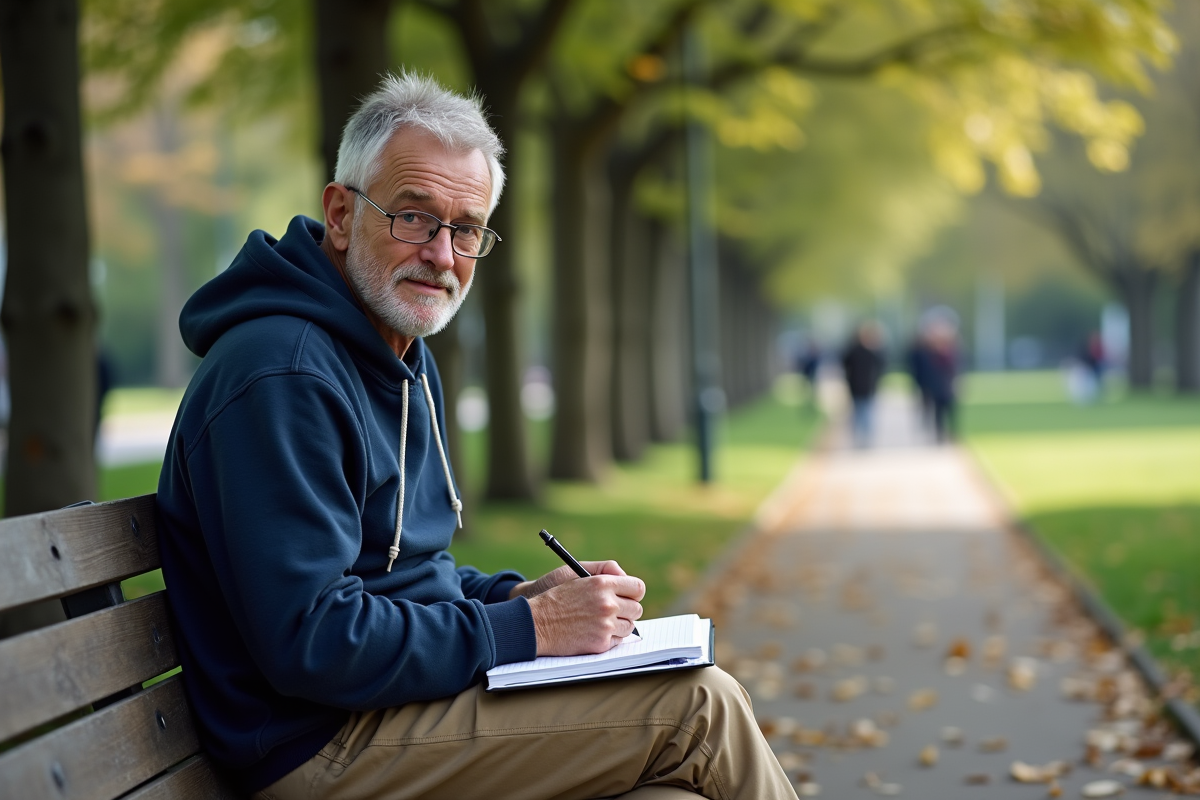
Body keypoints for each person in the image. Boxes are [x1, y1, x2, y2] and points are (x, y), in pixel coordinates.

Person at [156, 73, 795, 800]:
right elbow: (313, 640)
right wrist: (530, 628)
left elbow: (407, 576)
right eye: (414, 218)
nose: (441, 254)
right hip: (316, 746)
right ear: (340, 214)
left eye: (465, 229)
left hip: (387, 712)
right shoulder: (284, 374)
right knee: (698, 707)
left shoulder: (394, 355)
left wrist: (519, 594)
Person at [840, 322, 886, 447]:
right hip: (858, 386)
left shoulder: (869, 351)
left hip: (865, 386)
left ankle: (863, 436)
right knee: (860, 411)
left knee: (864, 411)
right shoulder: (858, 351)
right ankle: (861, 436)